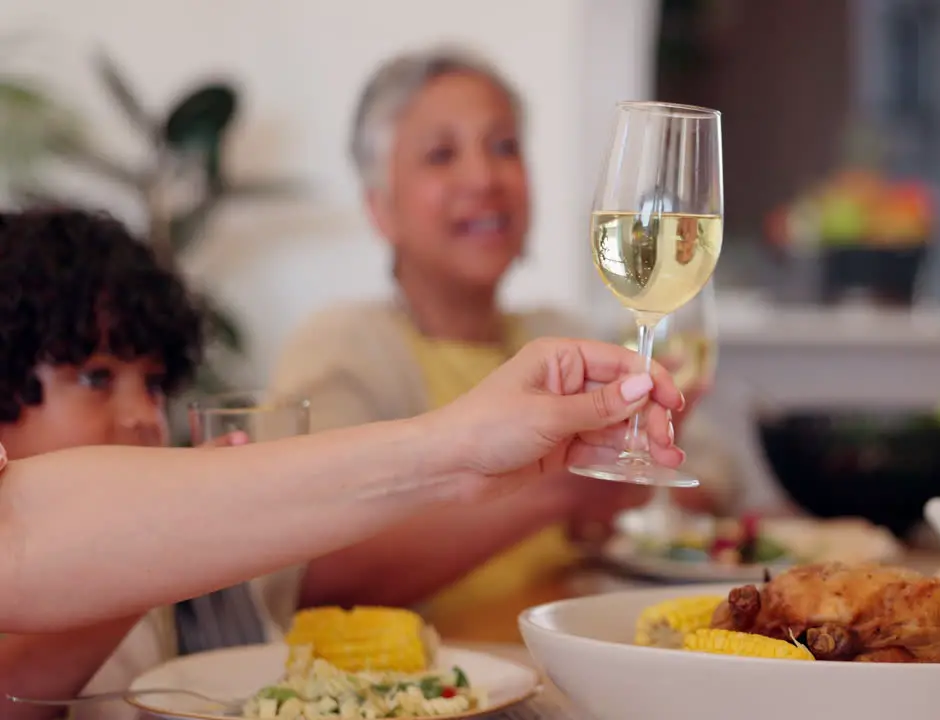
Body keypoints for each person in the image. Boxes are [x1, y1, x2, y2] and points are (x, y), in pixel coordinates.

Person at [0, 209, 683, 716]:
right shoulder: (346, 340)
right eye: (94, 378)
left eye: (154, 384)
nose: (142, 416)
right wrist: (176, 544)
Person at [269, 48, 736, 630]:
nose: (484, 178)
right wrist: (563, 493)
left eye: (504, 147)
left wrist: (630, 475)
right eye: (441, 154)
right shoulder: (346, 347)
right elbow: (309, 571)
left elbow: (714, 479)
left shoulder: (552, 335)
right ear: (379, 207)